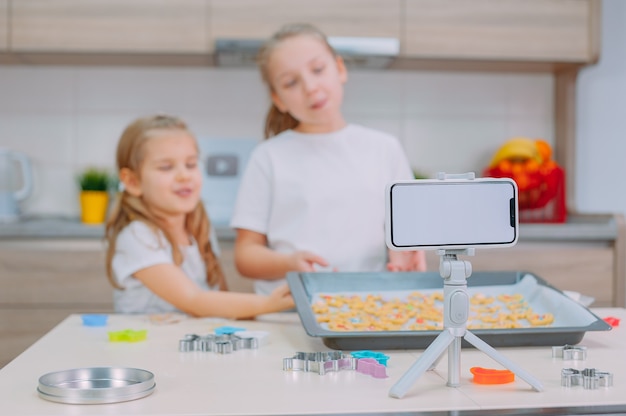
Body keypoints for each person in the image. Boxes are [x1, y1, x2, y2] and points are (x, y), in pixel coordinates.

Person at [230, 23, 426, 296]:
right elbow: (245, 255)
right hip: (288, 310)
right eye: (291, 82)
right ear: (279, 99)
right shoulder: (268, 157)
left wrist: (406, 253)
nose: (310, 87)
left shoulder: (384, 148)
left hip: (368, 305)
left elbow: (409, 232)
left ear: (340, 69)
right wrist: (288, 263)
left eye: (318, 70)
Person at [104, 115, 294, 318]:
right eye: (166, 167)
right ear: (133, 181)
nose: (184, 175)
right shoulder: (137, 237)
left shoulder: (198, 228)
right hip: (146, 346)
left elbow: (218, 298)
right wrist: (271, 303)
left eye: (191, 164)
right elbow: (193, 300)